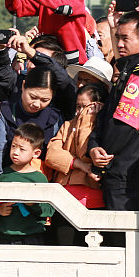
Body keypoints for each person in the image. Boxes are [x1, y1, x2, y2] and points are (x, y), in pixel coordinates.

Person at [88, 10, 139, 211]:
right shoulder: (128, 69)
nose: (119, 44)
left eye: (125, 39)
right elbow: (106, 116)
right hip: (117, 169)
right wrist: (93, 147)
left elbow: (124, 125)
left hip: (127, 173)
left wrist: (103, 155)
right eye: (117, 38)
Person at [46, 82, 108, 243]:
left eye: (85, 107)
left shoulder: (103, 127)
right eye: (78, 107)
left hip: (92, 202)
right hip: (64, 200)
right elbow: (51, 155)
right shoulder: (67, 125)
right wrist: (79, 165)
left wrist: (88, 120)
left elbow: (84, 152)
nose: (80, 111)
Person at [0, 67, 63, 182]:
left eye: (45, 100)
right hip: (7, 177)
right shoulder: (6, 111)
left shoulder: (53, 118)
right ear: (23, 86)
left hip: (40, 180)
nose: (37, 104)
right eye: (33, 97)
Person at [0, 122, 55, 245]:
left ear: (36, 153)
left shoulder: (39, 179)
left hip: (32, 238)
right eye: (13, 146)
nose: (15, 152)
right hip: (4, 237)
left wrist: (33, 204)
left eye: (22, 149)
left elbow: (49, 211)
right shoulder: (2, 175)